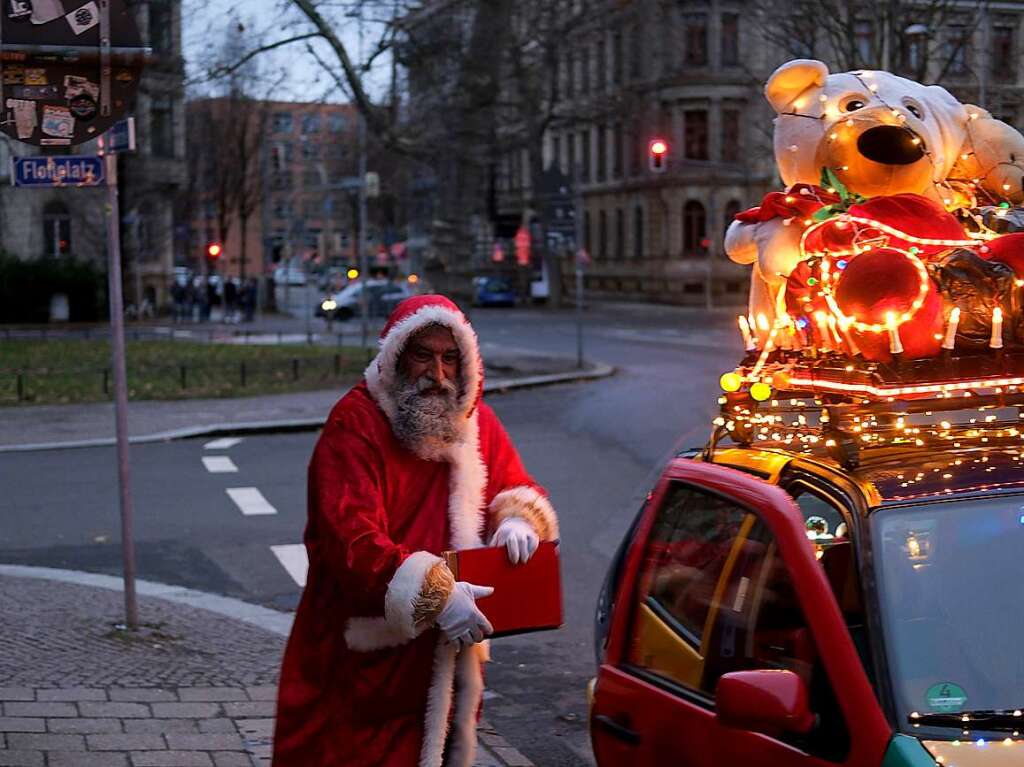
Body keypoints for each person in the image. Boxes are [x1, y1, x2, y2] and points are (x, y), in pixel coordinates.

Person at [273, 294, 559, 767]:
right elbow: (352, 543)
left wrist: (516, 518)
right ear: (396, 356)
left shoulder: (472, 420)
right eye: (424, 355)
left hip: (448, 661)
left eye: (450, 358)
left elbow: (511, 481)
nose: (439, 373)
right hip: (365, 662)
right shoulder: (356, 423)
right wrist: (434, 593)